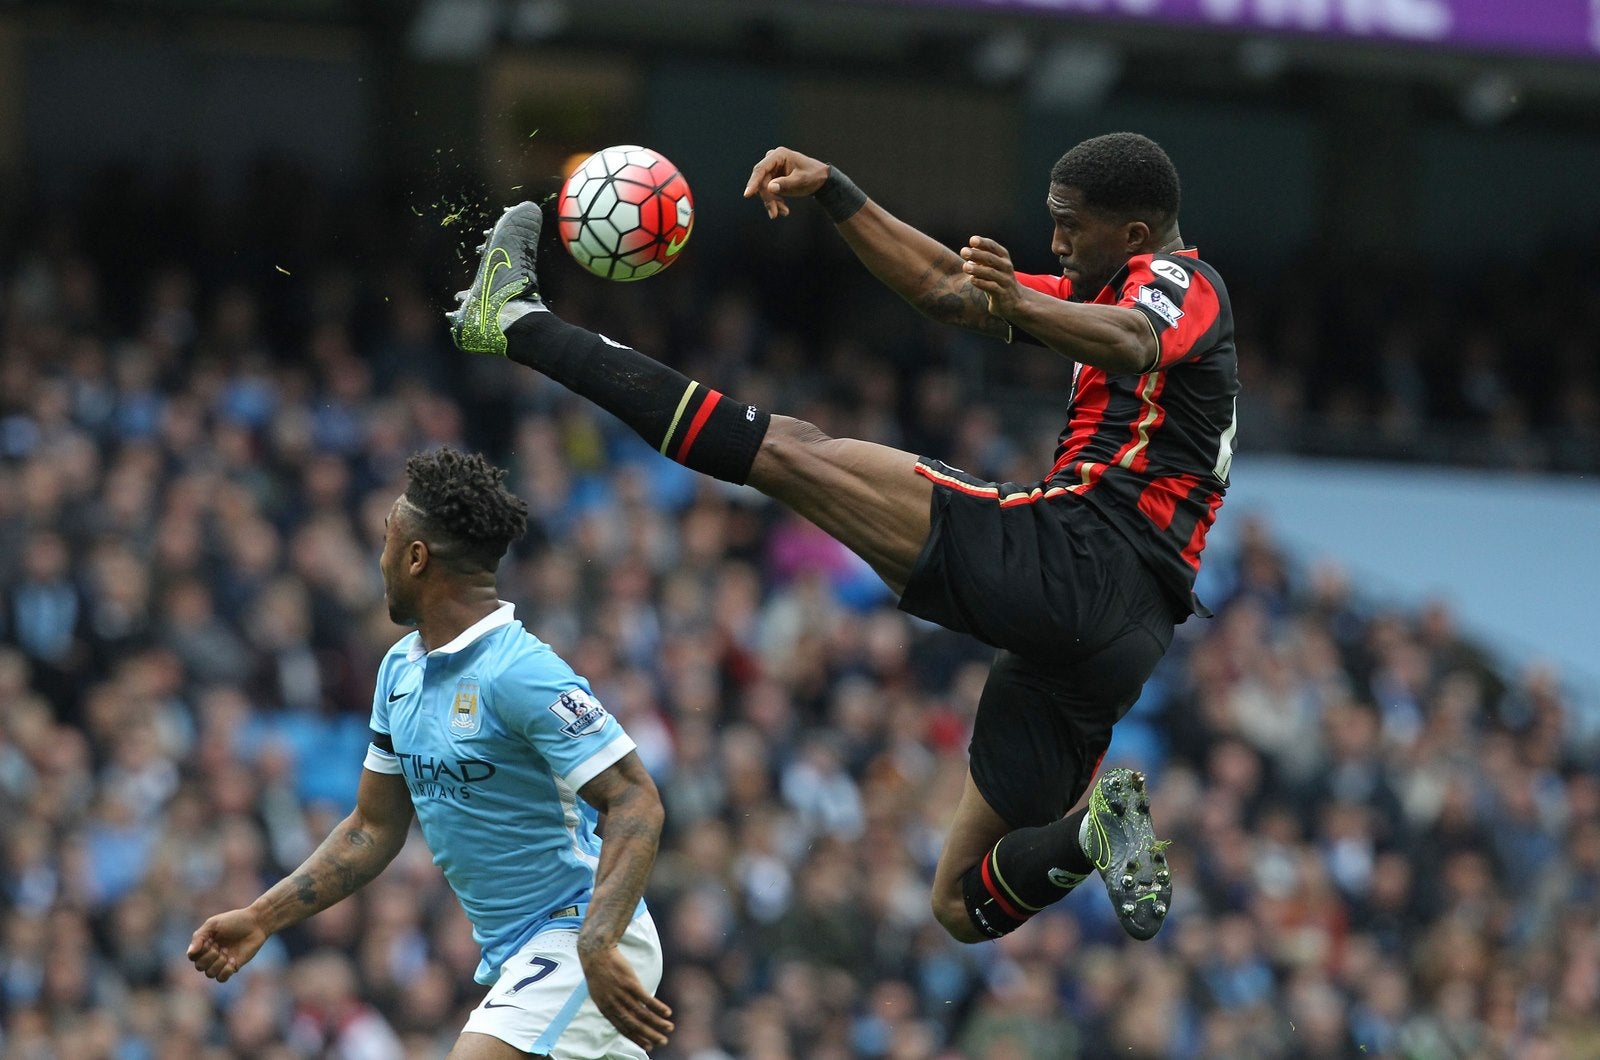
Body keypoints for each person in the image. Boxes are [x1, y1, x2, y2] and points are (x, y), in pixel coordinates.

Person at [446, 131, 1237, 946]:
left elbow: (1135, 339)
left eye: (1071, 225)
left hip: (1082, 557)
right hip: (1122, 633)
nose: (1057, 242)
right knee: (960, 903)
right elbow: (945, 288)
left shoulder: (1179, 280)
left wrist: (1024, 299)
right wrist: (837, 192)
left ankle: (514, 322)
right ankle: (1093, 832)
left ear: (1135, 235)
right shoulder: (1106, 291)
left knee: (787, 451)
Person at [188, 447, 675, 1058]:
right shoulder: (400, 670)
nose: (380, 558)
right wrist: (262, 917)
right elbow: (372, 827)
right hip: (517, 953)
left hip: (580, 933)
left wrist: (597, 940)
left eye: (387, 541)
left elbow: (636, 799)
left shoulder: (522, 672)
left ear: (416, 557)